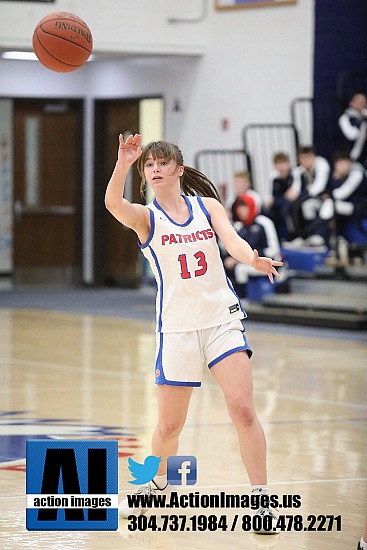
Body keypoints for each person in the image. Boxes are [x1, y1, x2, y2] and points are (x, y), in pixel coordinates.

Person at [105, 134, 282, 533]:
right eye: (149, 165)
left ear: (179, 170)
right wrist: (122, 161)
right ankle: (158, 482)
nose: (155, 169)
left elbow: (232, 241)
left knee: (243, 408)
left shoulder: (208, 206)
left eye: (163, 163)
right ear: (145, 175)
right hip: (178, 329)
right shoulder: (146, 217)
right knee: (169, 428)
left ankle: (261, 503)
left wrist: (252, 259)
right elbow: (113, 204)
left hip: (221, 319)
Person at [222, 194, 281, 297]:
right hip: (247, 262)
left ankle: (243, 300)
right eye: (239, 207)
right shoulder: (238, 226)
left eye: (244, 206)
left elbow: (273, 249)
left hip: (267, 262)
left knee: (240, 269)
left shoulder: (264, 222)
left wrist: (245, 259)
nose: (241, 210)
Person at [284, 145, 330, 248]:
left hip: (325, 197)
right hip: (309, 197)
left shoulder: (322, 165)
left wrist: (302, 195)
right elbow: (296, 188)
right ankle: (302, 236)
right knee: (291, 206)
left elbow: (319, 187)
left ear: (313, 157)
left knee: (310, 206)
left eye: (308, 157)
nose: (305, 161)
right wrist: (292, 193)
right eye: (302, 158)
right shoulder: (299, 171)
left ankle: (319, 236)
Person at [263, 152, 299, 242]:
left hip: (293, 202)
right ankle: (276, 239)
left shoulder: (295, 173)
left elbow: (294, 194)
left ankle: (292, 236)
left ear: (288, 164)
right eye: (278, 164)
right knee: (267, 212)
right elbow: (269, 197)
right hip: (279, 202)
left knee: (285, 209)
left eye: (283, 163)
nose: (281, 167)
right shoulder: (273, 176)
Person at [338, 92, 367, 166]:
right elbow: (352, 135)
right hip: (350, 158)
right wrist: (361, 122)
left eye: (364, 102)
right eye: (360, 102)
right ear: (351, 103)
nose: (362, 104)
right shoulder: (345, 118)